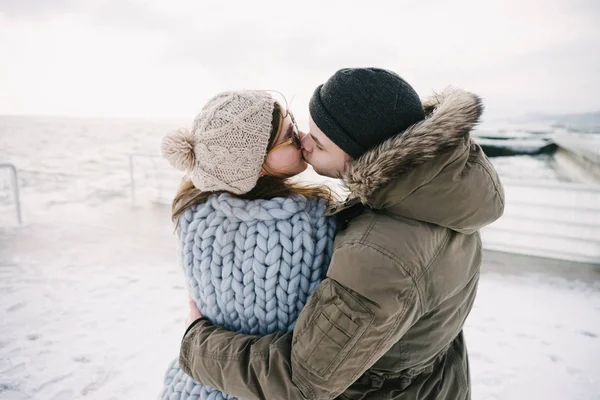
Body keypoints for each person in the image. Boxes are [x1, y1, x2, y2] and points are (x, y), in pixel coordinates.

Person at [179, 68, 505, 400]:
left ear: (359, 156)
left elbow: (302, 380)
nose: (304, 141)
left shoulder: (380, 252)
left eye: (317, 143)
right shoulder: (439, 191)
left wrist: (196, 344)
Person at [159, 90, 337, 399]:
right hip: (276, 385)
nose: (303, 138)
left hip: (199, 382)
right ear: (254, 164)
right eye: (290, 136)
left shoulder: (191, 211)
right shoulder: (317, 218)